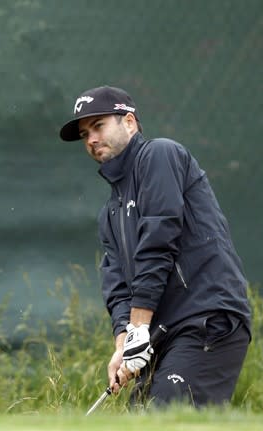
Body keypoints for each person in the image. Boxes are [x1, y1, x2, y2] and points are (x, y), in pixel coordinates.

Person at [59, 85, 252, 407]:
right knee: (140, 417)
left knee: (162, 419)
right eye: (84, 134)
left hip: (206, 319)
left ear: (130, 122)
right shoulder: (111, 211)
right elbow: (117, 284)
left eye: (99, 126)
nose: (91, 139)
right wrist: (124, 344)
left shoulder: (160, 154)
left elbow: (159, 240)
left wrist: (138, 326)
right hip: (163, 333)